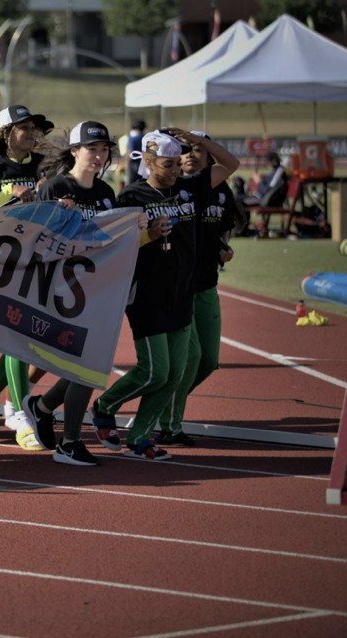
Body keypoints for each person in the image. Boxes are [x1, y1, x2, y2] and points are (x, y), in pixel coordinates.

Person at [89, 129, 239, 461]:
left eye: (176, 164)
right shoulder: (131, 197)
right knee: (155, 371)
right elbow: (114, 246)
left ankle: (140, 437)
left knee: (177, 373)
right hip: (148, 295)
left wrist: (196, 140)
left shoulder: (190, 188)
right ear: (149, 162)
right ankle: (105, 404)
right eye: (166, 165)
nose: (174, 171)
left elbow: (231, 163)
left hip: (183, 294)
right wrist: (150, 236)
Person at [17, 121, 127, 466]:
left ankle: (44, 406)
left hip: (97, 288)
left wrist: (142, 230)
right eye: (91, 149)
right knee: (86, 365)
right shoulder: (55, 187)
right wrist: (58, 216)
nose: (98, 155)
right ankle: (69, 443)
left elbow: (110, 241)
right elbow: (38, 240)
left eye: (104, 149)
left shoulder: (107, 193)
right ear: (75, 151)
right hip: (61, 289)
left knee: (90, 364)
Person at [0, 105, 53, 450]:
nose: (31, 132)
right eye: (24, 127)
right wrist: (10, 195)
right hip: (2, 262)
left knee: (33, 338)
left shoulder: (45, 166)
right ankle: (18, 413)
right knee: (19, 335)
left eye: (34, 127)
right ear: (6, 133)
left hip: (41, 258)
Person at [156, 131, 238, 446]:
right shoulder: (175, 188)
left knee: (208, 361)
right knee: (188, 358)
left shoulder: (214, 188)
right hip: (181, 285)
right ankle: (169, 423)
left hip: (208, 283)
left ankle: (163, 403)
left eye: (194, 150)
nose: (189, 154)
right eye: (182, 152)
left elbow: (222, 229)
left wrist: (223, 249)